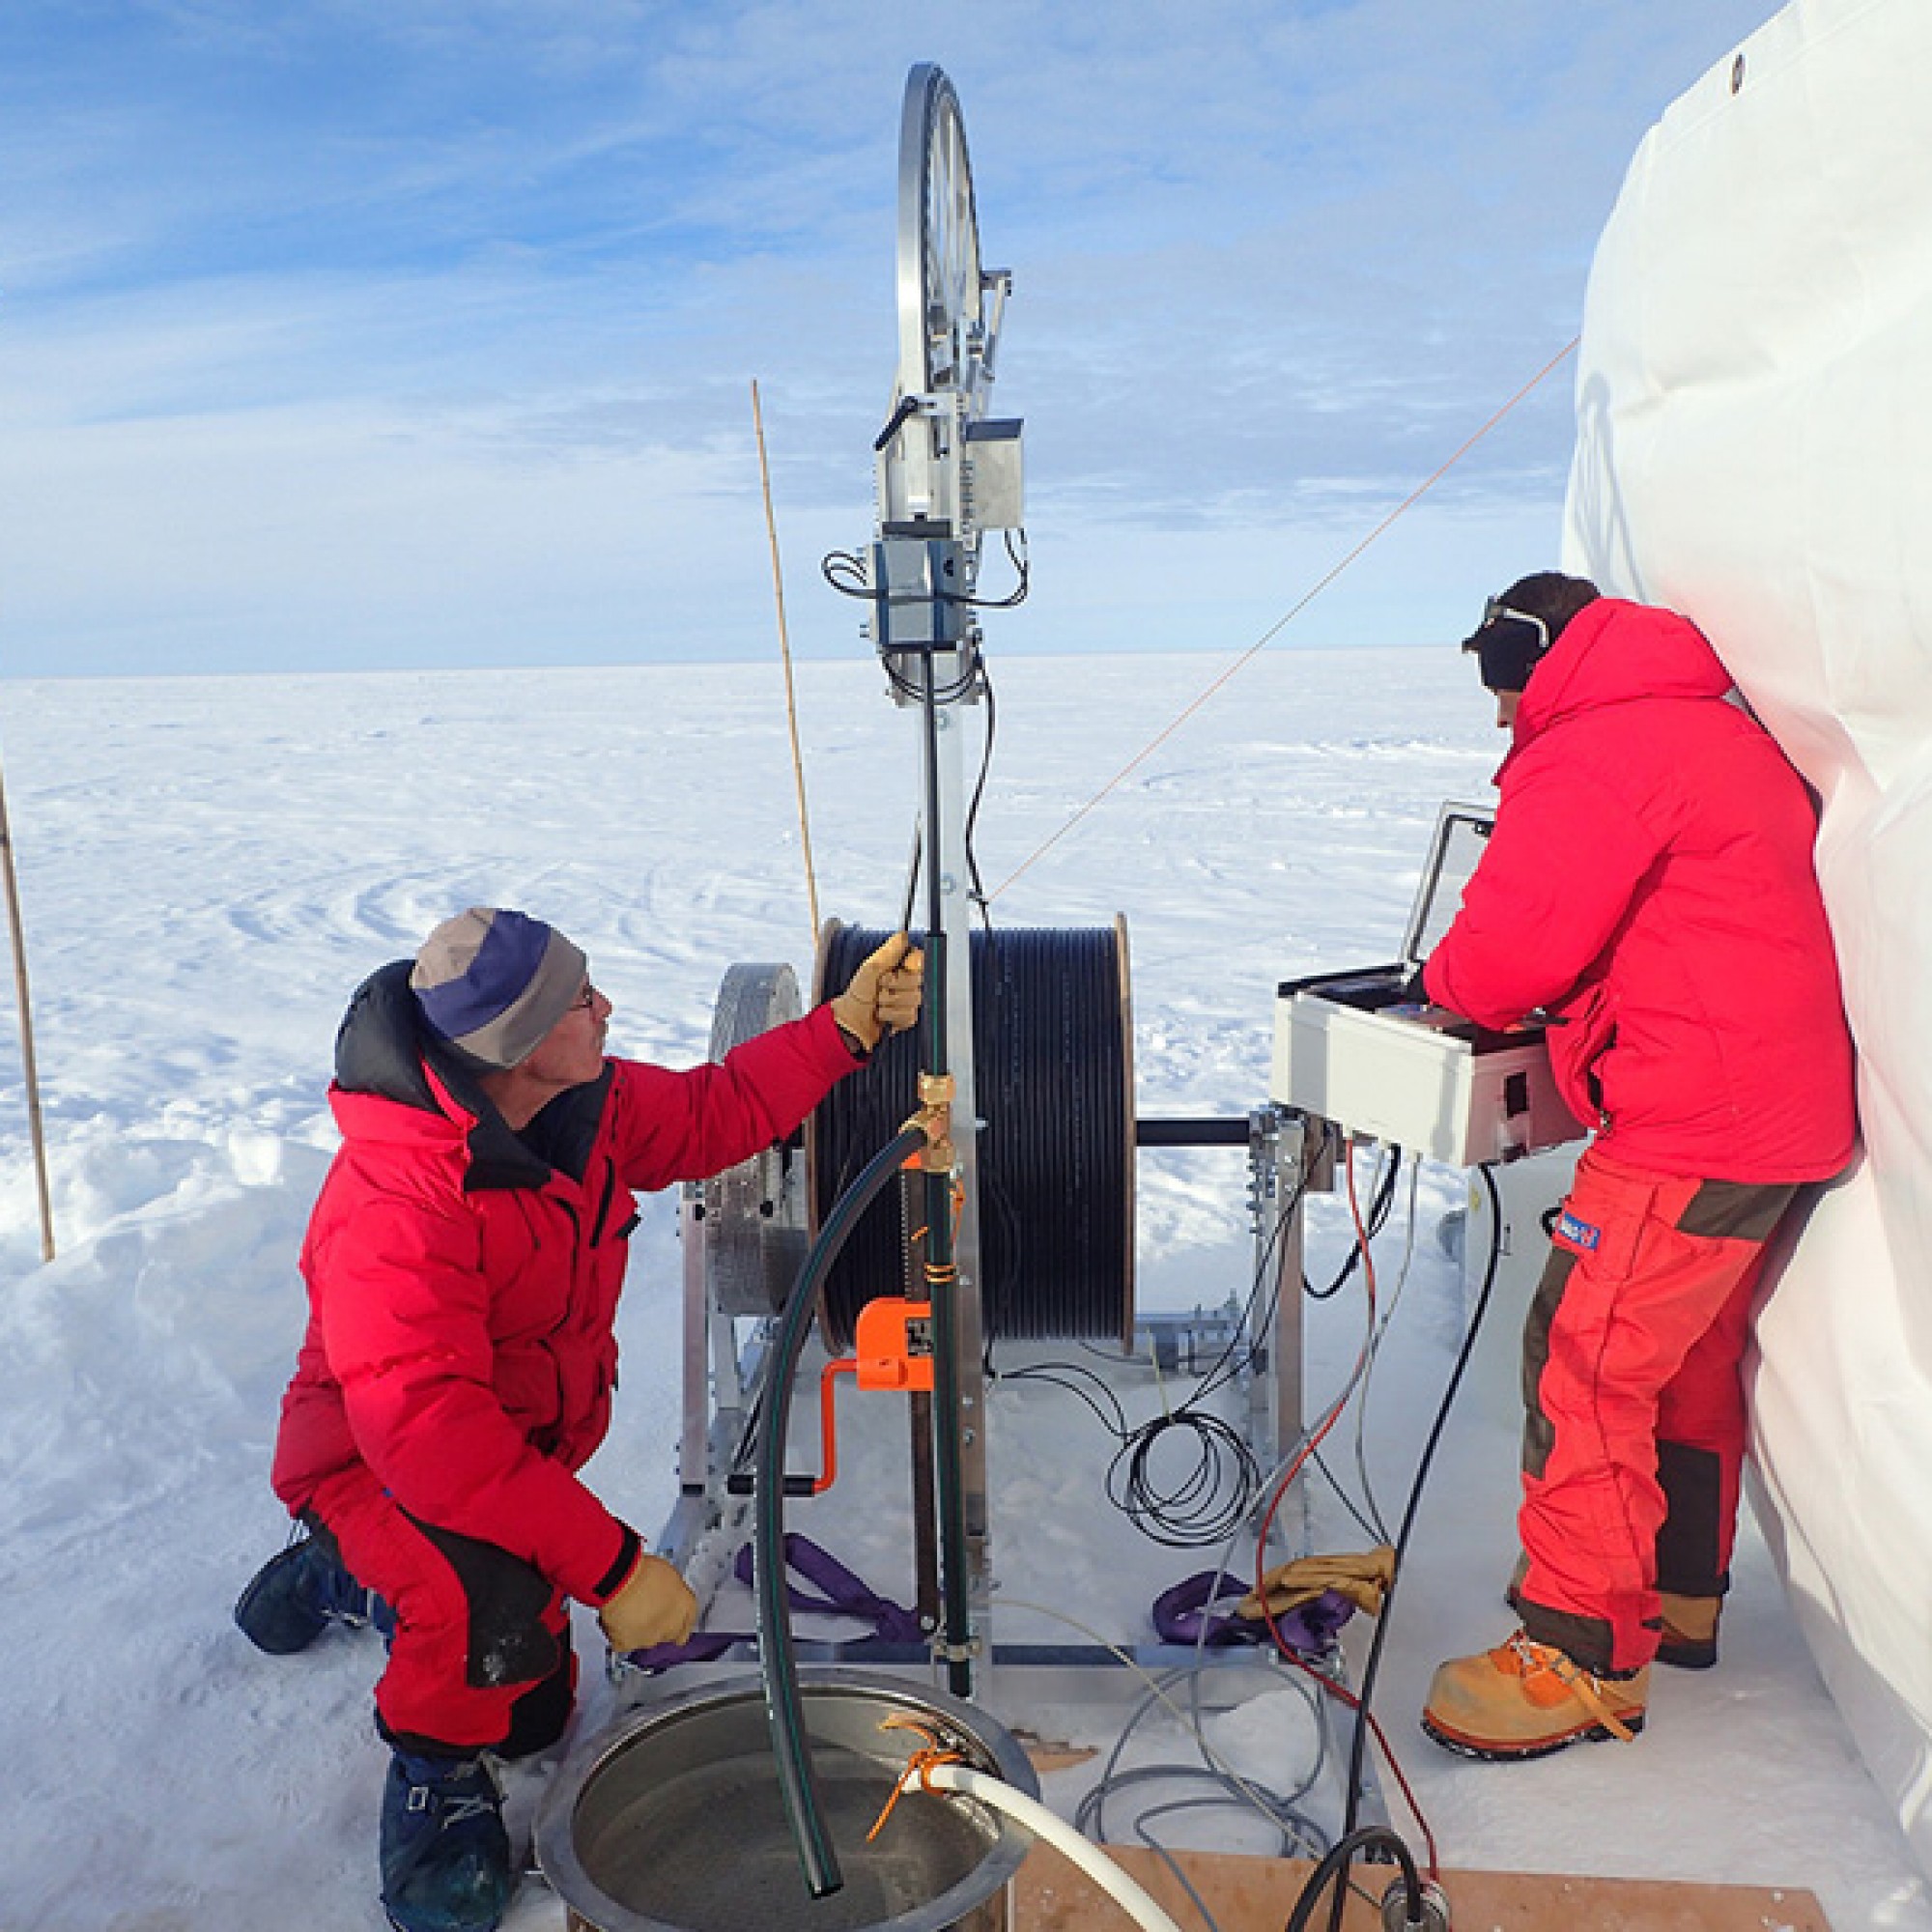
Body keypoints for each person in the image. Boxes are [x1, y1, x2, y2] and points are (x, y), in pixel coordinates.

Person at [233, 907, 923, 1932]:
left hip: (495, 1452)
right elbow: (433, 1437)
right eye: (577, 1000)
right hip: (377, 1461)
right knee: (485, 1616)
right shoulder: (399, 1202)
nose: (605, 1007)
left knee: (536, 1707)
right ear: (512, 1045)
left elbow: (709, 1110)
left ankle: (357, 1578)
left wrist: (842, 1030)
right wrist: (610, 1567)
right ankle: (432, 1782)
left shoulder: (576, 1099)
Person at [1414, 574, 1857, 1762]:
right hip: (1774, 1109)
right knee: (1682, 1358)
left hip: (1691, 1117)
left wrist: (1444, 986)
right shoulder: (1707, 721)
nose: (1500, 716)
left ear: (1531, 661)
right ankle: (1677, 1596)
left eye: (1498, 684)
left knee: (1586, 1361)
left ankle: (1577, 1650)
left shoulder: (1597, 747)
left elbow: (1501, 955)